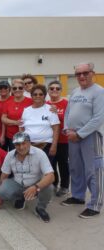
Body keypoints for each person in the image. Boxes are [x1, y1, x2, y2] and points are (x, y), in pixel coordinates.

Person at [61, 62, 104, 219]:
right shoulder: (75, 92)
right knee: (76, 168)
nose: (81, 76)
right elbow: (67, 113)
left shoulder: (99, 92)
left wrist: (80, 134)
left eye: (85, 73)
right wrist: (67, 129)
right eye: (78, 73)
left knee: (93, 170)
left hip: (90, 136)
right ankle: (78, 196)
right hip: (72, 135)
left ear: (93, 73)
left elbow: (98, 118)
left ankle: (95, 204)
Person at [0, 132, 54, 223]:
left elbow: (51, 175)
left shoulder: (40, 153)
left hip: (36, 183)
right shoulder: (10, 155)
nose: (21, 147)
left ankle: (40, 208)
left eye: (24, 143)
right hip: (18, 182)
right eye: (17, 144)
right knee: (2, 191)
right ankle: (21, 198)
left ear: (29, 143)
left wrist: (36, 187)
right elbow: (4, 175)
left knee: (49, 186)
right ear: (14, 144)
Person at [19, 85, 60, 190]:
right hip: (29, 145)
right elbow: (22, 128)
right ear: (31, 96)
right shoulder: (26, 110)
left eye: (40, 94)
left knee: (46, 170)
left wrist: (54, 145)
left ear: (44, 96)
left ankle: (45, 192)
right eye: (35, 94)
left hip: (46, 144)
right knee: (32, 170)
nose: (37, 96)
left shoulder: (50, 109)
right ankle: (32, 190)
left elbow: (56, 128)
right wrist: (22, 144)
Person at [46, 80, 69, 197]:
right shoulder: (45, 104)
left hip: (64, 140)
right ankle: (54, 184)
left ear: (61, 90)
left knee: (63, 163)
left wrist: (57, 115)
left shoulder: (66, 103)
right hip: (50, 139)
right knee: (51, 163)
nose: (54, 90)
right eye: (51, 88)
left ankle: (64, 186)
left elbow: (71, 121)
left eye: (57, 88)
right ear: (48, 91)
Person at [1, 79, 33, 151]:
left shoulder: (31, 101)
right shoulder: (7, 103)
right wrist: (16, 122)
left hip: (27, 136)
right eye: (15, 88)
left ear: (24, 89)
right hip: (12, 137)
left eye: (20, 88)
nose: (17, 90)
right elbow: (3, 119)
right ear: (12, 90)